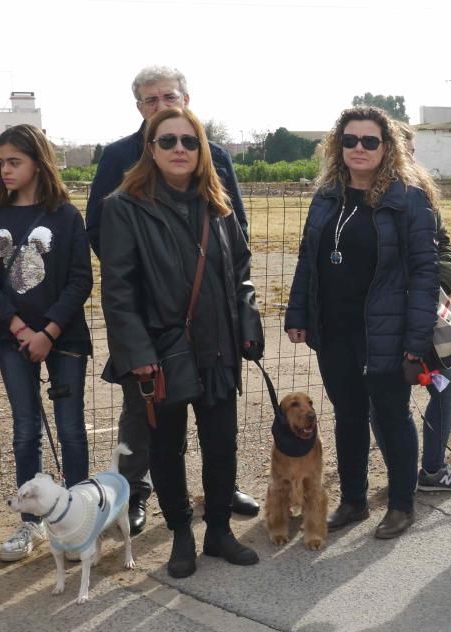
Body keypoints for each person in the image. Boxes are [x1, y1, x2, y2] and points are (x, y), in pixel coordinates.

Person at [85, 65, 257, 533]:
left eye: (170, 97)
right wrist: (155, 274)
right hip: (151, 316)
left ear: (186, 98)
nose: (162, 107)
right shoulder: (117, 156)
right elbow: (101, 231)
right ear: (139, 107)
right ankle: (135, 493)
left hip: (209, 321)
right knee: (148, 416)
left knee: (217, 418)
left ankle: (220, 493)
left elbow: (233, 226)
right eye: (151, 100)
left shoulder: (214, 153)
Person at [285, 106, 440, 539]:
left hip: (385, 332)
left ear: (386, 147)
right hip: (334, 329)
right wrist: (298, 313)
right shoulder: (327, 195)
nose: (359, 148)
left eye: (369, 141)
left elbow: (425, 273)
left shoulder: (408, 199)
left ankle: (402, 504)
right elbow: (307, 260)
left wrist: (416, 338)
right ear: (338, 145)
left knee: (392, 417)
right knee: (347, 415)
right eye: (350, 140)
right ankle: (353, 500)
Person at [0, 125, 92, 562]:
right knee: (26, 429)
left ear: (38, 163)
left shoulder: (66, 216)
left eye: (14, 161)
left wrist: (50, 332)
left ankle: (80, 520)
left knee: (71, 429)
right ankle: (31, 523)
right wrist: (22, 329)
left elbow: (82, 278)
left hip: (65, 337)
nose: (5, 170)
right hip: (11, 337)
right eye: (1, 162)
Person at [370, 123, 451, 493]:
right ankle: (402, 476)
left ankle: (433, 470)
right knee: (382, 402)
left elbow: (442, 244)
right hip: (378, 324)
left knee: (446, 387)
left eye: (413, 151)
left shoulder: (423, 194)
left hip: (425, 318)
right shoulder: (358, 196)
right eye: (405, 150)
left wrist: (440, 283)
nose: (410, 158)